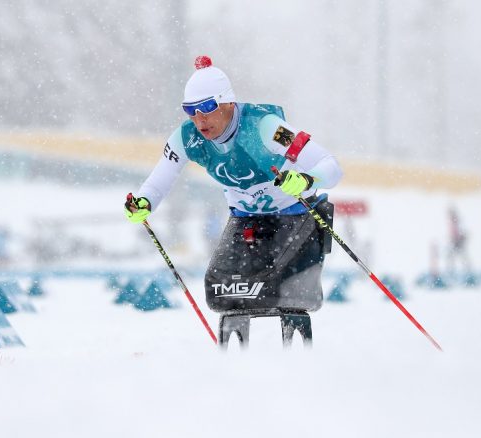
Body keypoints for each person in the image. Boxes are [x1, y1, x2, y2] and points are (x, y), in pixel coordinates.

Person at [123, 56, 343, 346]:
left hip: (294, 213)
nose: (200, 119)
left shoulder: (266, 127)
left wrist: (306, 180)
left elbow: (331, 166)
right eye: (190, 110)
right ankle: (233, 367)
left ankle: (297, 355)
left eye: (207, 108)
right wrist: (143, 203)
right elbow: (159, 180)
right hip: (246, 219)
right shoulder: (187, 137)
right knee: (220, 292)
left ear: (228, 103)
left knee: (283, 291)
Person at [447, 207, 472, 274]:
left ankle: (467, 270)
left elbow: (462, 231)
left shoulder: (456, 221)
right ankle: (452, 270)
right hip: (455, 241)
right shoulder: (453, 221)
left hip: (458, 241)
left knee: (460, 256)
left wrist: (459, 239)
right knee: (453, 256)